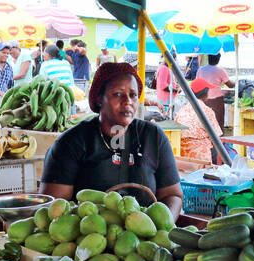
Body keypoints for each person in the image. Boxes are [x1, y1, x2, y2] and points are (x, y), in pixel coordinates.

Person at [41, 62, 183, 217]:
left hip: (146, 237)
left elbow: (172, 195)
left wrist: (164, 225)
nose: (128, 101)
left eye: (133, 95)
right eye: (118, 94)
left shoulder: (153, 136)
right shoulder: (71, 142)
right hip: (90, 236)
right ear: (99, 99)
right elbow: (55, 206)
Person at [175, 78, 225, 164]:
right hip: (201, 155)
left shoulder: (183, 109)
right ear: (205, 93)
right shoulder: (206, 111)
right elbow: (217, 137)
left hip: (182, 153)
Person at [196, 53, 234, 128]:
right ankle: (218, 138)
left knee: (204, 122)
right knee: (218, 122)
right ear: (218, 59)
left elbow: (197, 83)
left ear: (208, 58)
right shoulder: (220, 70)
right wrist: (236, 83)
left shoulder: (201, 70)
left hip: (203, 99)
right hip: (216, 100)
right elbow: (230, 85)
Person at [155, 49, 179, 113]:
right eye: (173, 58)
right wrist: (176, 90)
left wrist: (177, 86)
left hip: (168, 99)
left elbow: (170, 82)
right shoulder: (163, 68)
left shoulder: (167, 68)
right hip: (165, 100)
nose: (174, 61)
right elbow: (163, 86)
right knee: (166, 117)